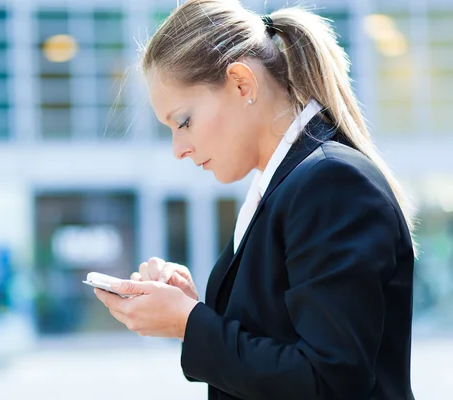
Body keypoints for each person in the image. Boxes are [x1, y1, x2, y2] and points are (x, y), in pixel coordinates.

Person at [93, 1, 417, 399]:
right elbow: (280, 348)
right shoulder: (288, 185)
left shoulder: (331, 183)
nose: (179, 149)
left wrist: (189, 323)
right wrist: (192, 311)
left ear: (242, 83)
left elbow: (328, 383)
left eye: (183, 121)